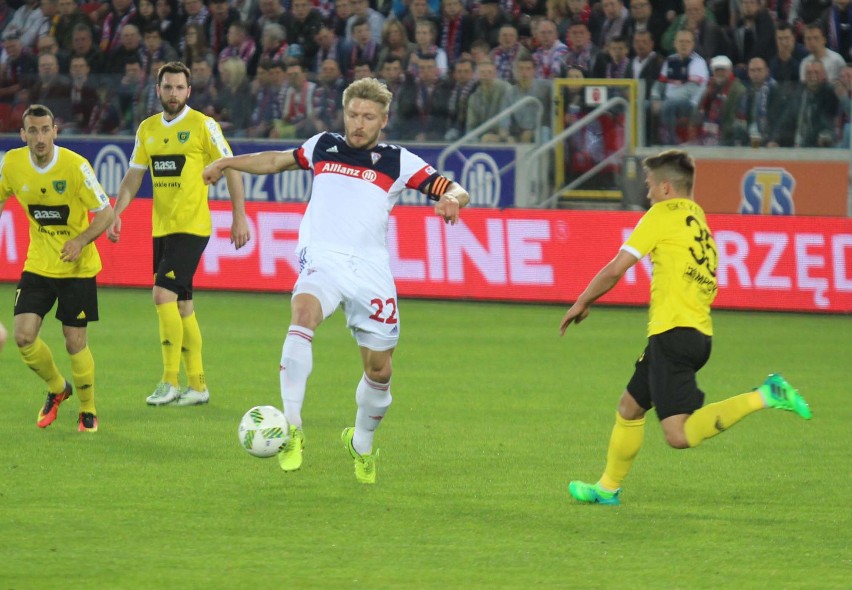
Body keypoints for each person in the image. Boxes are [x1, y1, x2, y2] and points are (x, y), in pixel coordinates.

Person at [201, 77, 470, 484]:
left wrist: (451, 200)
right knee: (302, 314)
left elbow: (453, 187)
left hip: (370, 272)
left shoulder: (398, 160)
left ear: (384, 120)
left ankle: (361, 442)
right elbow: (276, 160)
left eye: (368, 117)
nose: (358, 124)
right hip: (322, 259)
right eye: (352, 114)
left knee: (380, 371)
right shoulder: (323, 145)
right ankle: (291, 428)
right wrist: (227, 162)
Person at [559, 149, 812, 506]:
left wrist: (583, 301)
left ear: (665, 188)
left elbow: (617, 268)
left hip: (673, 335)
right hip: (694, 333)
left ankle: (767, 395)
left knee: (678, 435)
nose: (646, 193)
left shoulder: (662, 215)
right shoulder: (701, 224)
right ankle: (606, 488)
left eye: (648, 185)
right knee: (630, 407)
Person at [108, 61, 250, 407]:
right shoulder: (147, 129)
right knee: (183, 305)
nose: (173, 93)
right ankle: (198, 385)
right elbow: (133, 176)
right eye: (167, 87)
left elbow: (230, 166)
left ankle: (169, 381)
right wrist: (116, 212)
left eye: (179, 88)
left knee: (162, 296)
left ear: (189, 91)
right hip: (163, 228)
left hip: (192, 226)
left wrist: (239, 216)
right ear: (158, 90)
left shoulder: (203, 125)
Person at [0, 104, 114, 432]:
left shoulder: (76, 167)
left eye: (45, 129)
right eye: (32, 131)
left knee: (74, 342)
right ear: (22, 134)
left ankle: (88, 410)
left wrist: (80, 241)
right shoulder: (12, 164)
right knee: (23, 336)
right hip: (39, 264)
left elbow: (106, 213)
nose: (39, 137)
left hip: (78, 268)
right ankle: (56, 387)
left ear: (55, 131)